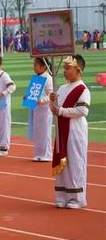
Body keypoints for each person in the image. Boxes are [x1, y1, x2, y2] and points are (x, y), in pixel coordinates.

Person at [49, 55, 90, 209]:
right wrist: (52, 101)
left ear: (78, 70)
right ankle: (62, 195)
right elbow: (54, 110)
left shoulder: (82, 89)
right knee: (62, 161)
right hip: (61, 130)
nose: (64, 71)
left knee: (75, 161)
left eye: (68, 68)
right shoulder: (62, 88)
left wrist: (61, 110)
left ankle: (77, 198)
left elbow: (82, 110)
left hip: (75, 130)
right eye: (64, 68)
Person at [30, 57, 53, 162]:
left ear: (43, 67)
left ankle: (47, 154)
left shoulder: (48, 78)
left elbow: (51, 95)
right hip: (36, 110)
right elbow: (32, 93)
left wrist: (42, 100)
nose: (34, 67)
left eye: (36, 65)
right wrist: (27, 97)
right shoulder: (36, 77)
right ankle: (38, 153)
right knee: (38, 132)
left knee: (45, 132)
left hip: (45, 110)